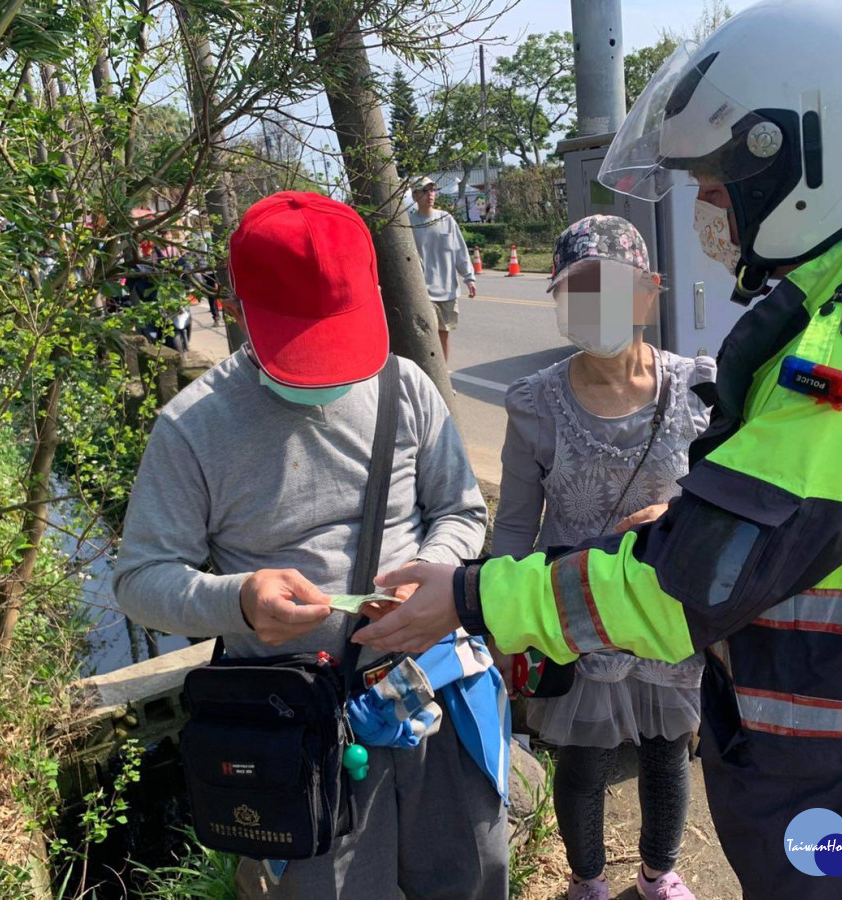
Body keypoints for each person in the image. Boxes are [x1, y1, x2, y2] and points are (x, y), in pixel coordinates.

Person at [356, 2, 842, 899]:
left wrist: (467, 597)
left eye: (716, 182)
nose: (701, 206)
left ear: (803, 162)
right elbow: (794, 524)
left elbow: (678, 591)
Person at [113, 191, 509, 899]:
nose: (326, 370)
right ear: (234, 307)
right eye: (302, 342)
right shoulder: (192, 429)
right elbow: (141, 579)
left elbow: (459, 508)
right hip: (291, 729)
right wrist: (238, 600)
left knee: (472, 873)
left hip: (434, 694)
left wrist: (440, 569)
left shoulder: (406, 386)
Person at [493, 215, 711, 900]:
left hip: (666, 615)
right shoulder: (535, 403)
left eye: (612, 291)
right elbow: (514, 527)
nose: (596, 309)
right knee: (582, 765)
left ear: (649, 293)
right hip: (574, 618)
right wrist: (503, 623)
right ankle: (587, 882)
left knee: (666, 755)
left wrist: (675, 518)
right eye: (577, 293)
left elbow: (727, 503)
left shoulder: (699, 390)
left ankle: (656, 873)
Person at [408, 176, 476, 362]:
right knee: (426, 337)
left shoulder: (446, 219)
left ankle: (442, 378)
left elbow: (459, 249)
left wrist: (469, 278)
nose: (430, 195)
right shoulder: (408, 223)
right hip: (422, 292)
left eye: (432, 190)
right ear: (414, 195)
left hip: (447, 290)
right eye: (424, 191)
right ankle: (428, 378)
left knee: (443, 335)